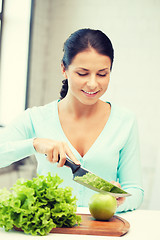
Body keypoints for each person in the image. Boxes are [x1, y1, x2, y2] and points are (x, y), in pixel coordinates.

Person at [0, 28, 144, 212]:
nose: (93, 83)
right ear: (64, 69)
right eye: (82, 73)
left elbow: (135, 190)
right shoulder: (35, 118)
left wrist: (120, 202)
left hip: (103, 231)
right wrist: (35, 144)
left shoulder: (125, 121)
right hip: (51, 232)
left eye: (102, 74)